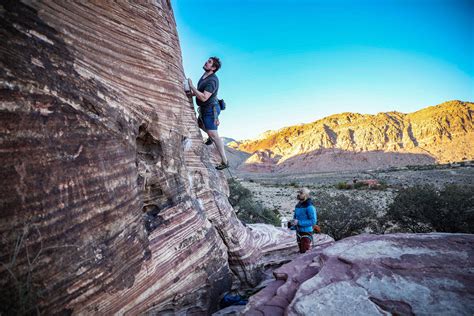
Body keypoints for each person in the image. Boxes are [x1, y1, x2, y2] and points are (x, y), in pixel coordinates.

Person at [186, 57, 229, 170]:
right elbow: (201, 93)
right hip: (205, 108)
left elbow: (204, 97)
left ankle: (225, 161)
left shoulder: (212, 80)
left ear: (213, 68)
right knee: (200, 124)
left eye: (209, 62)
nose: (206, 62)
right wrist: (191, 93)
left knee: (214, 135)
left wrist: (191, 87)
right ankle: (210, 137)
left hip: (211, 109)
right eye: (207, 61)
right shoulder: (204, 76)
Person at [288, 188, 317, 253]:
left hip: (306, 232)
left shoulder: (310, 207)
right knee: (301, 251)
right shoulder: (297, 206)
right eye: (299, 193)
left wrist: (299, 222)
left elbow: (313, 221)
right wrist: (292, 225)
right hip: (298, 232)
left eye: (301, 193)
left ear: (306, 195)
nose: (299, 194)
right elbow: (295, 218)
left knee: (305, 252)